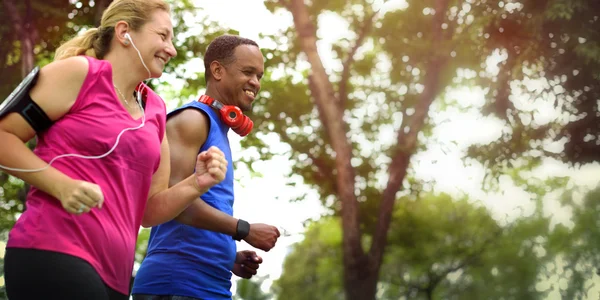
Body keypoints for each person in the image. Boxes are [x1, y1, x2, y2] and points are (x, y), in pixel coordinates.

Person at [0, 1, 228, 299]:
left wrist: (197, 183)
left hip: (116, 277)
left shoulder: (156, 109)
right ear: (124, 33)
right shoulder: (80, 73)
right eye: (163, 36)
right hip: (51, 250)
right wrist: (62, 186)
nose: (171, 49)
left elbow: (149, 209)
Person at [131, 35, 281, 300]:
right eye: (247, 72)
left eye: (259, 75)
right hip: (177, 284)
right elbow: (170, 202)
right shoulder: (193, 119)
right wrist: (243, 229)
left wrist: (227, 256)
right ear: (217, 70)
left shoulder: (218, 127)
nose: (255, 83)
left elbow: (202, 207)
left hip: (208, 285)